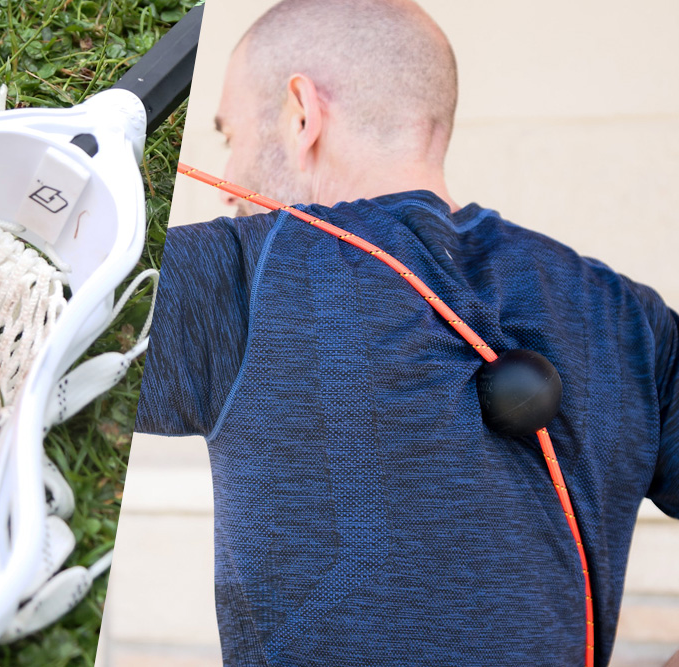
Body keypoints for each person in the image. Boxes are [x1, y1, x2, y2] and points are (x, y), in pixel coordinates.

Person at [134, 0, 679, 666]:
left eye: (229, 133)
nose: (228, 183)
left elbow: (53, 303)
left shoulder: (235, 275)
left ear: (300, 114)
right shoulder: (629, 318)